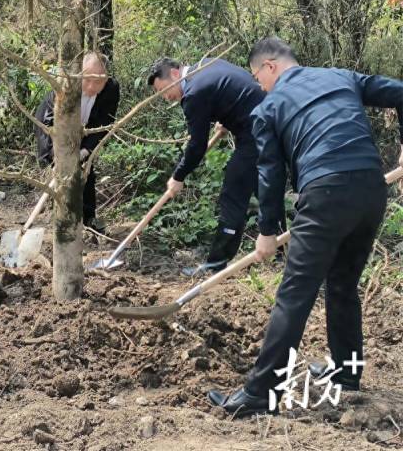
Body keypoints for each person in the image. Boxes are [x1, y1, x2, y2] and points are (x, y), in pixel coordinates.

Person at [209, 36, 403, 417]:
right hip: (371, 188)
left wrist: (267, 231)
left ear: (270, 66)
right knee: (343, 284)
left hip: (326, 191)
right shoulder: (339, 76)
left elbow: (270, 173)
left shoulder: (270, 107)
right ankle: (346, 375)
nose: (259, 87)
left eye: (256, 77)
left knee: (295, 293)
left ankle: (260, 396)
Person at [147, 57, 268, 276]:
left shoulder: (193, 93)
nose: (166, 98)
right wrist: (227, 117)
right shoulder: (207, 65)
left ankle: (216, 264)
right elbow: (232, 89)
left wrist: (178, 176)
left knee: (233, 193)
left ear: (175, 74)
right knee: (266, 191)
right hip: (270, 124)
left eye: (164, 90)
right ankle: (282, 247)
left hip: (256, 135)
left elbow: (197, 145)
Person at [35, 54, 120, 231]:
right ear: (80, 74)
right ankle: (63, 219)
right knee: (61, 170)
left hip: (86, 130)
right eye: (87, 79)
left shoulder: (111, 90)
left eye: (98, 82)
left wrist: (86, 150)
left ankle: (89, 219)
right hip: (52, 126)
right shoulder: (67, 85)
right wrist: (56, 152)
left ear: (106, 79)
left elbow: (104, 123)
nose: (91, 87)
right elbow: (50, 123)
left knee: (86, 171)